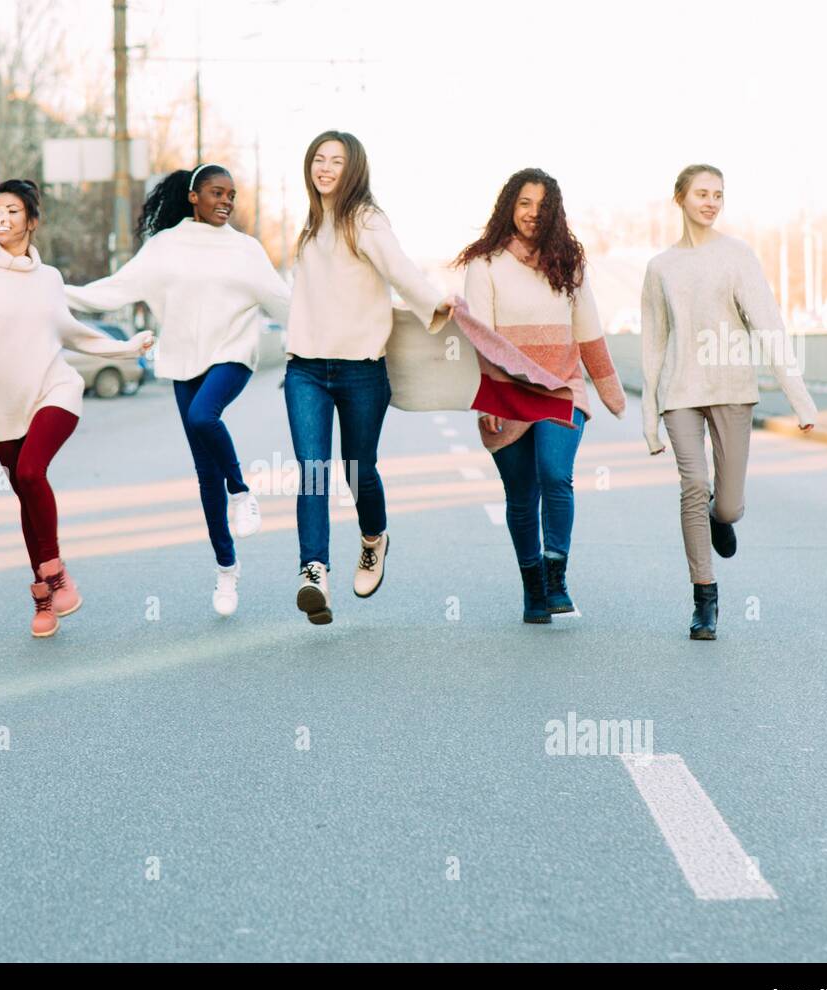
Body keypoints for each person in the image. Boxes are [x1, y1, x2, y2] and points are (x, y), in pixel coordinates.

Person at [0, 178, 153, 638]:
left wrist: (125, 349)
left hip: (53, 390)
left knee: (32, 473)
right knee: (24, 491)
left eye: (13, 210)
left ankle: (55, 573)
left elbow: (73, 332)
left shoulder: (50, 280)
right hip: (0, 405)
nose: (2, 217)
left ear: (32, 221)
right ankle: (43, 596)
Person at [65, 164, 290, 616]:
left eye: (231, 194)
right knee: (205, 473)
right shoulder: (165, 247)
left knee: (203, 416)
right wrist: (52, 289)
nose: (225, 201)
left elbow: (288, 304)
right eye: (215, 192)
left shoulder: (246, 250)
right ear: (193, 197)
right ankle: (227, 569)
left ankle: (243, 492)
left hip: (233, 354)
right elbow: (115, 290)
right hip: (185, 360)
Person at [640, 163, 817, 640]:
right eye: (702, 193)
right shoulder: (660, 267)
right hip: (680, 390)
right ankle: (705, 598)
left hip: (732, 388)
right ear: (680, 197)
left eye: (719, 194)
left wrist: (800, 400)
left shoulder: (738, 256)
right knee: (693, 484)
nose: (711, 202)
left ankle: (723, 514)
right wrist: (649, 418)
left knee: (729, 507)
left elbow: (768, 325)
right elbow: (654, 341)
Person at [286, 130, 454, 625]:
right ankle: (314, 571)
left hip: (361, 369)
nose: (325, 168)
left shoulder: (366, 219)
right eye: (319, 158)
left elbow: (400, 269)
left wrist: (433, 302)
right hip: (306, 369)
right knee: (312, 469)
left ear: (352, 169)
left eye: (336, 161)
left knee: (359, 468)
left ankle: (373, 538)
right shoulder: (310, 227)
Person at [456, 169, 625, 624]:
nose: (533, 212)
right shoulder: (485, 264)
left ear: (555, 211)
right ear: (510, 206)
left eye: (542, 204)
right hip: (507, 394)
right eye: (525, 202)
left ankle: (555, 575)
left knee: (555, 475)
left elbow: (588, 335)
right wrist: (489, 402)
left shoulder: (568, 263)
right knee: (520, 495)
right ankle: (532, 585)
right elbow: (482, 337)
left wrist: (613, 396)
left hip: (560, 387)